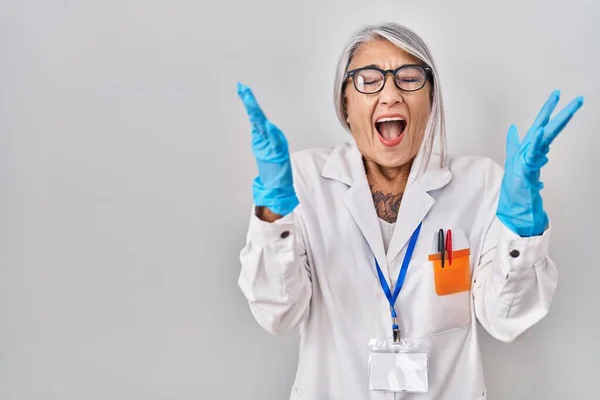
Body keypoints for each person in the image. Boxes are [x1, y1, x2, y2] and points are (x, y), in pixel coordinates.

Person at [236, 22, 583, 400]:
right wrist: (272, 215)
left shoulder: (481, 185)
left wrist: (522, 227)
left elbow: (507, 321)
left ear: (431, 101)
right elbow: (277, 313)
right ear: (345, 106)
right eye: (368, 79)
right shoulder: (303, 183)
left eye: (409, 78)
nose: (390, 95)